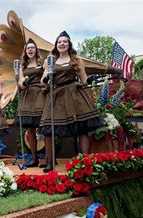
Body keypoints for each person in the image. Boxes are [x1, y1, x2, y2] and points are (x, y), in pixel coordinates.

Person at [40, 31, 102, 172]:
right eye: (59, 42)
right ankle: (50, 162)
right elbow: (43, 81)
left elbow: (84, 79)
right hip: (55, 95)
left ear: (69, 44)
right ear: (56, 45)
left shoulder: (76, 59)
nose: (62, 44)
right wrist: (46, 78)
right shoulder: (49, 60)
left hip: (73, 94)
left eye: (65, 42)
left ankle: (84, 160)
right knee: (48, 129)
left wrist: (90, 81)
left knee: (82, 127)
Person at [17, 38, 46, 167]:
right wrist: (24, 82)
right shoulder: (22, 66)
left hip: (41, 94)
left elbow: (47, 76)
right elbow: (20, 84)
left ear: (36, 49)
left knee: (45, 126)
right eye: (28, 48)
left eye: (32, 48)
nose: (30, 50)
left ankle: (49, 157)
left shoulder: (43, 62)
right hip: (28, 97)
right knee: (30, 129)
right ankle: (34, 158)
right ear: (25, 51)